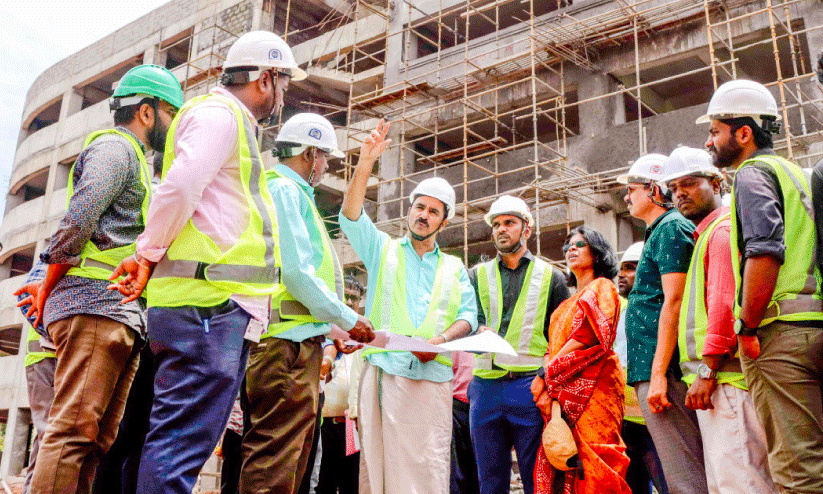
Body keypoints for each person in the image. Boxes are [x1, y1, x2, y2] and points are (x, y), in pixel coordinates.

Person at [107, 31, 300, 494]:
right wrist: (146, 254)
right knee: (177, 450)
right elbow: (178, 187)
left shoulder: (227, 121)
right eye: (284, 83)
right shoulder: (220, 115)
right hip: (207, 309)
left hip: (212, 308)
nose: (283, 95)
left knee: (177, 447)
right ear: (266, 78)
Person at [13, 64, 182, 494]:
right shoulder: (116, 149)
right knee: (73, 432)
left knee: (94, 440)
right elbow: (80, 217)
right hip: (93, 306)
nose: (175, 124)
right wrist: (48, 285)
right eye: (171, 112)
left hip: (116, 313)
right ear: (147, 112)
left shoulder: (138, 162)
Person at [339, 121, 478, 494]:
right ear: (409, 210)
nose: (424, 215)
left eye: (433, 212)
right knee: (380, 470)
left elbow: (469, 316)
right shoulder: (381, 248)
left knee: (427, 470)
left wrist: (439, 340)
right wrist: (366, 161)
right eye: (419, 207)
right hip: (385, 373)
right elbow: (350, 215)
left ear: (443, 222)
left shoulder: (453, 267)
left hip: (432, 381)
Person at [699, 79, 823, 494]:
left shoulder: (753, 175)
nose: (710, 142)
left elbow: (765, 253)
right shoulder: (797, 173)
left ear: (744, 133)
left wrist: (748, 328)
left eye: (715, 131)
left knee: (797, 469)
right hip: (813, 322)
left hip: (780, 336)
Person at [241, 112, 374, 494]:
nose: (326, 165)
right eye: (325, 158)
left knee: (289, 464)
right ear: (311, 153)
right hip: (284, 347)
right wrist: (348, 319)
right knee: (274, 464)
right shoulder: (284, 191)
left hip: (294, 341)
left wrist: (333, 326)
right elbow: (298, 276)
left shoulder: (292, 193)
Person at [663, 146, 778, 494]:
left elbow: (723, 307)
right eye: (673, 187)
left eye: (690, 183)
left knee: (741, 481)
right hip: (721, 381)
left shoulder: (722, 231)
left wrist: (707, 370)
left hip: (726, 379)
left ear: (717, 182)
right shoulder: (708, 233)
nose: (680, 192)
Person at [618, 154, 708, 494]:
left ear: (653, 189)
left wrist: (658, 375)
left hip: (666, 373)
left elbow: (675, 301)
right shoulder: (661, 231)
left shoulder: (671, 228)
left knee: (686, 475)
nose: (627, 197)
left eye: (631, 189)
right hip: (658, 370)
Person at [468, 195, 569, 494]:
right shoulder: (475, 276)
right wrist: (476, 328)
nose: (501, 229)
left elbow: (561, 336)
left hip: (529, 387)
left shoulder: (553, 277)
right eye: (496, 224)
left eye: (509, 223)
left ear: (527, 229)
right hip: (485, 386)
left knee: (537, 479)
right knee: (490, 481)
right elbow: (463, 320)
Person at [530, 226, 629, 493]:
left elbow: (587, 337)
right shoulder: (562, 306)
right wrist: (549, 373)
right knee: (568, 461)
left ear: (597, 253)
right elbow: (552, 346)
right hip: (563, 393)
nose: (570, 249)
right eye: (567, 246)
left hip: (597, 386)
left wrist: (546, 373)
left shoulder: (603, 287)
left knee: (598, 460)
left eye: (579, 244)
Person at [613, 243, 668, 494]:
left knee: (667, 482)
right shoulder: (619, 310)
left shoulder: (661, 309)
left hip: (655, 414)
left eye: (631, 268)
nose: (622, 274)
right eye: (621, 268)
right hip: (624, 418)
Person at [316, 275, 365, 494]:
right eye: (344, 296)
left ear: (360, 302)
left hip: (351, 427)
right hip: (322, 425)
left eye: (353, 298)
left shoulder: (365, 336)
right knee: (322, 483)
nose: (348, 301)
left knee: (351, 485)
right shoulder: (323, 330)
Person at [14, 261, 56, 494]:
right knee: (49, 432)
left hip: (49, 354)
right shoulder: (53, 260)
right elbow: (25, 298)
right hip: (43, 355)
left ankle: (32, 489)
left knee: (48, 435)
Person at [450, 350, 479, 494]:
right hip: (457, 403)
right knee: (457, 473)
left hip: (487, 402)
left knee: (484, 473)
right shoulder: (455, 330)